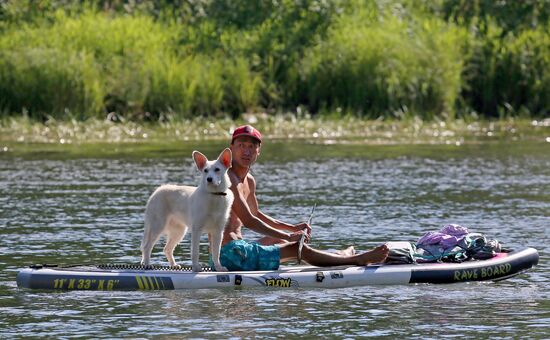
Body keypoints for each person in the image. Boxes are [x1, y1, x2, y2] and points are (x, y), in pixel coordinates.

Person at [213, 124, 388, 271]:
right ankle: (354, 260)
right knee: (295, 247)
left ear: (258, 151)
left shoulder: (249, 181)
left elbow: (256, 213)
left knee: (279, 239)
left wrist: (292, 228)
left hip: (240, 250)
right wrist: (290, 237)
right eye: (242, 145)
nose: (246, 151)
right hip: (230, 257)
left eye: (252, 146)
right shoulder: (228, 178)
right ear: (232, 148)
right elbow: (249, 221)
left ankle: (333, 258)